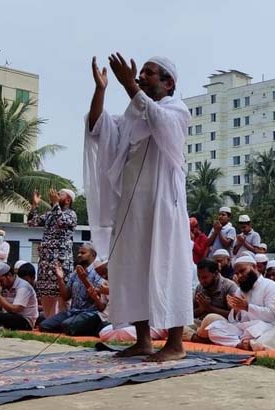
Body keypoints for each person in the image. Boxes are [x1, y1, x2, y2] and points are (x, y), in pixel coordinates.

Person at [84, 54, 194, 361]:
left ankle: (175, 345)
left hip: (163, 206)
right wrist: (102, 90)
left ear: (168, 83)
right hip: (132, 208)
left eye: (149, 73)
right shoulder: (132, 116)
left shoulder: (176, 110)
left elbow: (161, 124)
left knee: (166, 266)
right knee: (133, 269)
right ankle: (143, 340)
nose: (142, 76)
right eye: (140, 73)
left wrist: (130, 85)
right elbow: (97, 129)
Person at [202, 255, 275, 350]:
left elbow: (272, 315)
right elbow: (234, 321)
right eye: (237, 273)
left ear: (254, 267)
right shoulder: (240, 290)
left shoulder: (271, 286)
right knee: (213, 329)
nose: (240, 276)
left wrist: (247, 307)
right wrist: (236, 310)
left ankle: (243, 342)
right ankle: (239, 344)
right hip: (244, 328)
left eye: (242, 271)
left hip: (265, 326)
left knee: (255, 331)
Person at [28, 188, 77, 318]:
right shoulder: (50, 214)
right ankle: (49, 325)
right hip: (45, 262)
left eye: (59, 195)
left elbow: (61, 221)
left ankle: (63, 325)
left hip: (61, 262)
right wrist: (35, 205)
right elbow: (32, 223)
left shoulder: (71, 214)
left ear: (67, 200)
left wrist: (55, 204)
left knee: (62, 296)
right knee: (46, 295)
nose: (55, 196)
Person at [40, 244, 107, 336]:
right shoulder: (75, 273)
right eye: (78, 253)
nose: (79, 255)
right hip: (73, 312)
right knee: (45, 325)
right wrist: (60, 279)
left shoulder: (98, 273)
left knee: (67, 325)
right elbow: (66, 296)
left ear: (93, 255)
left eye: (83, 253)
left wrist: (84, 279)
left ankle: (77, 328)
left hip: (90, 313)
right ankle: (71, 329)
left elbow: (98, 298)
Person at [0, 263, 39, 330]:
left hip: (24, 320)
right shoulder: (3, 287)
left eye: (1, 281)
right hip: (6, 316)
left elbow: (15, 310)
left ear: (9, 275)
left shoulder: (23, 287)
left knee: (4, 316)